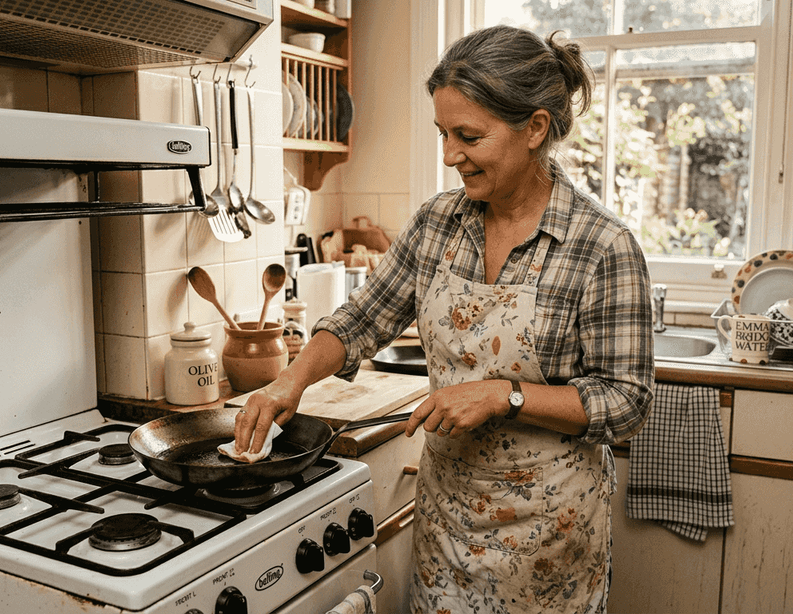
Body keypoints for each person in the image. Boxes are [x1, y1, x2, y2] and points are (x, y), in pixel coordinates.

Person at [234, 24, 654, 614]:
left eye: (469, 136)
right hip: (448, 527)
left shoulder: (601, 246)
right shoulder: (438, 224)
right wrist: (290, 380)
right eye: (442, 133)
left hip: (548, 545)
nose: (450, 154)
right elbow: (361, 319)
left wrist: (505, 395)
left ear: (535, 128)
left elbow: (626, 401)